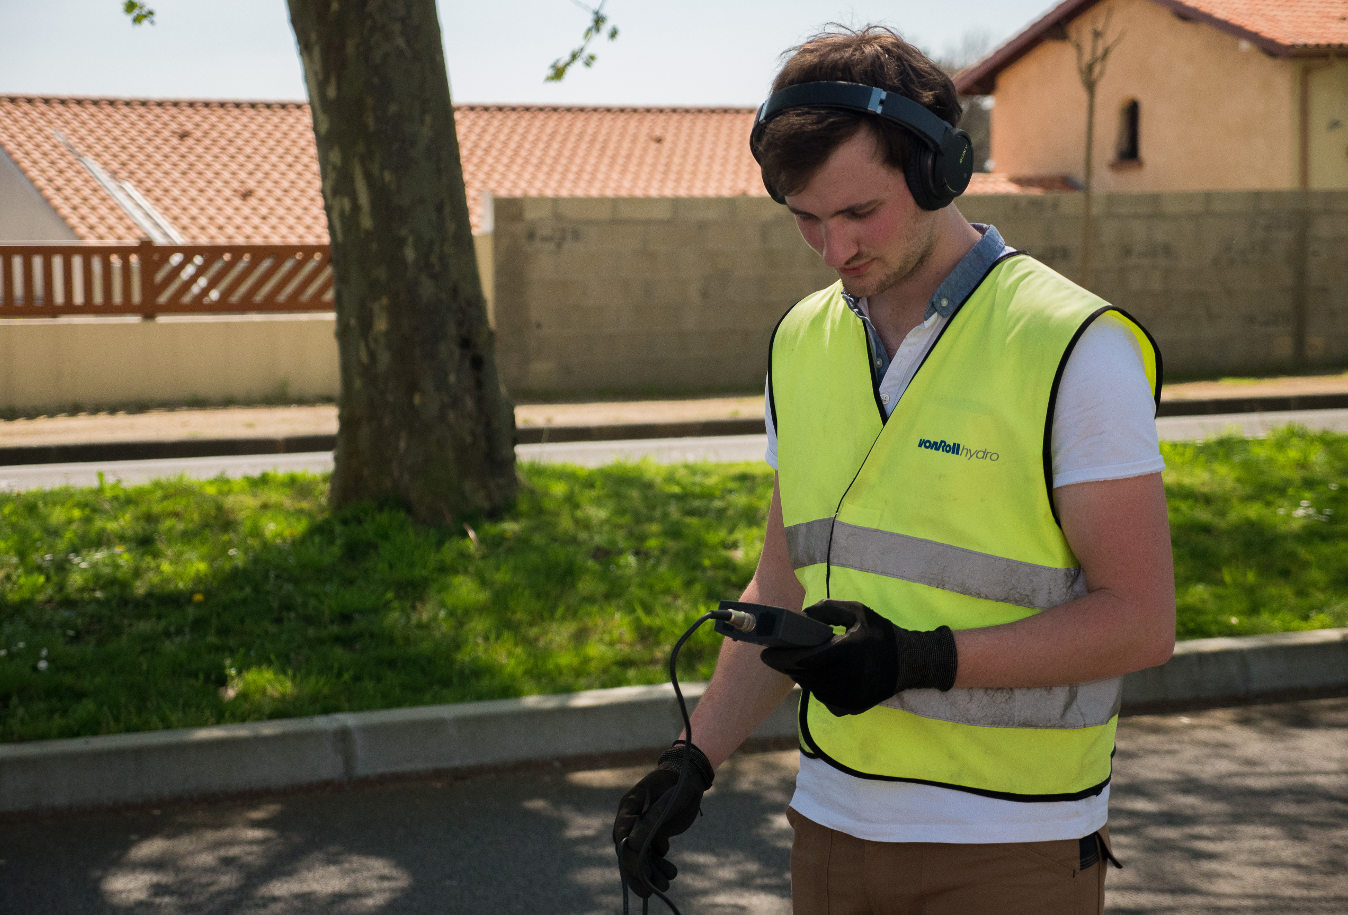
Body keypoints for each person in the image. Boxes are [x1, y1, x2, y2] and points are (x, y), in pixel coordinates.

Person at [613, 24, 1176, 914]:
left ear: (938, 171)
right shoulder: (800, 342)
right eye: (806, 219)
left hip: (1011, 844)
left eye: (858, 213)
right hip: (829, 827)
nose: (834, 249)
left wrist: (922, 658)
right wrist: (693, 759)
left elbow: (1140, 620)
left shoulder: (1074, 346)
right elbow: (783, 583)